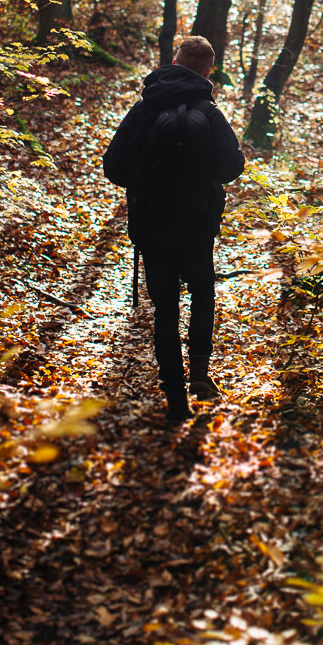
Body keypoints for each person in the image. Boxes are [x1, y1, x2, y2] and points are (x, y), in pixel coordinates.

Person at [103, 35, 245, 422]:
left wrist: (146, 180)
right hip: (198, 223)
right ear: (207, 71)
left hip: (152, 223)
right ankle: (200, 371)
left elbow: (113, 168)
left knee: (164, 306)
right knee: (202, 291)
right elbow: (232, 168)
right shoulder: (210, 112)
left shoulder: (144, 110)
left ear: (173, 62)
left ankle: (173, 392)